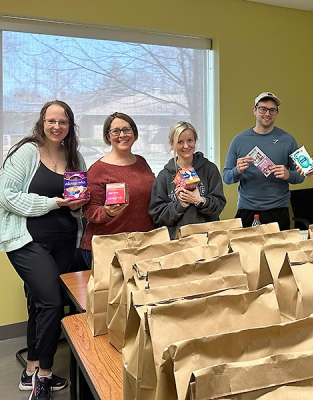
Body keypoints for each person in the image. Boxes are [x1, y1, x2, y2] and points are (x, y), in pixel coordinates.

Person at [0, 100, 88, 399]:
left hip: (64, 241)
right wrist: (53, 203)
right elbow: (6, 196)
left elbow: (79, 202)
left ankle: (30, 370)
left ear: (69, 126)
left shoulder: (74, 157)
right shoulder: (27, 152)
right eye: (51, 120)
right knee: (52, 302)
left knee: (40, 303)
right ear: (42, 122)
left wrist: (77, 205)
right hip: (27, 241)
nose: (56, 126)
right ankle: (45, 374)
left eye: (62, 122)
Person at [81, 112, 155, 267]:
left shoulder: (141, 162)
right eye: (116, 131)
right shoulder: (98, 169)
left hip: (141, 245)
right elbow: (89, 210)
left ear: (134, 132)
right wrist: (107, 212)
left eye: (127, 129)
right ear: (108, 136)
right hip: (108, 248)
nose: (122, 135)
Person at [222, 92, 304, 229]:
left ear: (277, 113)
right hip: (247, 209)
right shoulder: (239, 141)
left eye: (272, 110)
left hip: (278, 210)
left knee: (278, 250)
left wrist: (288, 174)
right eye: (263, 109)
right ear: (254, 110)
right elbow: (226, 177)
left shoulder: (288, 140)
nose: (267, 114)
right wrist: (237, 171)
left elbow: (301, 177)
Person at [148, 121, 226, 238]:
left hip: (207, 239)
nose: (186, 146)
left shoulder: (209, 169)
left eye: (190, 140)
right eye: (180, 142)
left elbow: (219, 205)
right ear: (171, 144)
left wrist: (200, 201)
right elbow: (158, 215)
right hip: (177, 241)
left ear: (195, 141)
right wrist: (180, 205)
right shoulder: (164, 176)